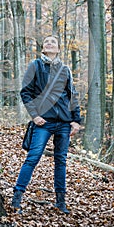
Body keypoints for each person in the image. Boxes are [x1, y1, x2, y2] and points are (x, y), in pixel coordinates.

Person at [11, 35, 81, 214]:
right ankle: (17, 199)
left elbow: (72, 95)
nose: (49, 43)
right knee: (33, 157)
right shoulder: (35, 65)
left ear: (58, 49)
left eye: (54, 42)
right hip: (44, 122)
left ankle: (61, 202)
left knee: (61, 161)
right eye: (47, 41)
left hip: (64, 123)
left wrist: (76, 120)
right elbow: (25, 92)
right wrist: (34, 116)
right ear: (43, 48)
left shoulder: (65, 70)